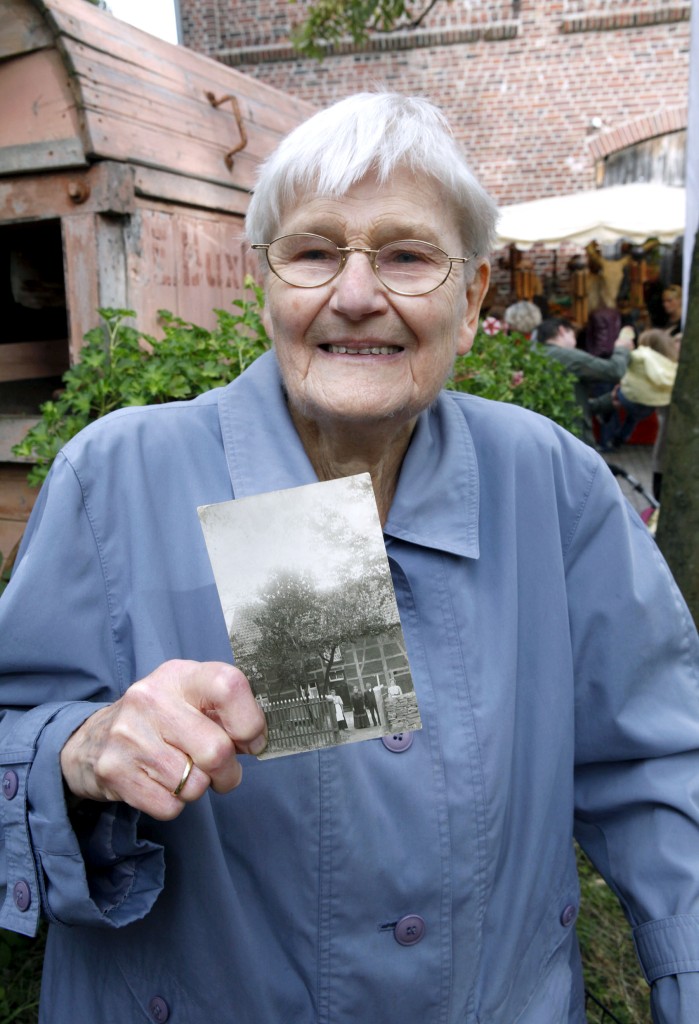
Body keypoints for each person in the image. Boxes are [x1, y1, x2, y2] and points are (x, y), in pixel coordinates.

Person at [0, 93, 698, 1024]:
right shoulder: (117, 476)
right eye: (314, 252)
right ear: (265, 282)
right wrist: (80, 751)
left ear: (471, 297)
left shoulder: (551, 481)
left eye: (406, 256)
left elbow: (660, 767)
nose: (357, 294)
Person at [536, 316, 633, 447]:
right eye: (573, 335)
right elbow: (614, 370)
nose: (575, 341)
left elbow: (569, 406)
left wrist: (607, 401)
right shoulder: (568, 357)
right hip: (573, 438)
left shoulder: (534, 354)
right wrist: (622, 349)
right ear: (562, 330)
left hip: (544, 436)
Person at [592, 328, 680, 451]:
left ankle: (605, 414)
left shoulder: (642, 354)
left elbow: (621, 362)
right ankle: (621, 437)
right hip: (650, 404)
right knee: (632, 418)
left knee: (617, 391)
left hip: (629, 397)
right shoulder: (669, 362)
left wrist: (624, 343)